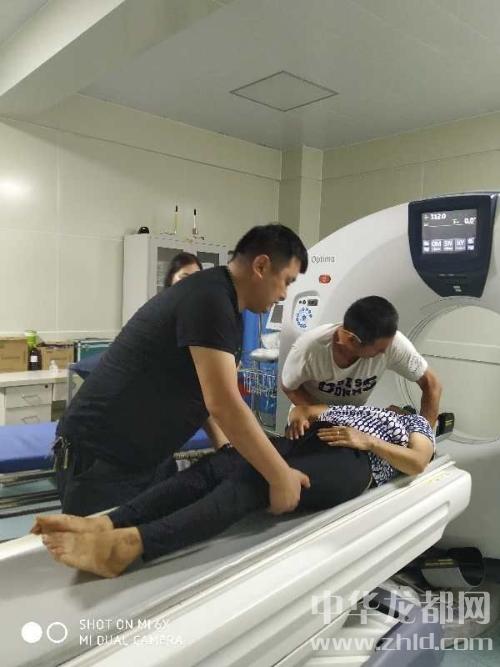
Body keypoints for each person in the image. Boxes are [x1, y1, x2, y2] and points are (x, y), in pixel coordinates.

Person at [53, 224, 310, 517]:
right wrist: (279, 476)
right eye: (286, 281)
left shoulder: (229, 308)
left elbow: (206, 395)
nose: (284, 295)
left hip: (149, 456)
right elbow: (224, 403)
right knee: (102, 541)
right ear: (261, 266)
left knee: (156, 535)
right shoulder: (209, 299)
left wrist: (227, 451)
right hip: (104, 458)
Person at [35, 404, 435, 578]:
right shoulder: (360, 408)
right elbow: (306, 409)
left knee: (253, 484)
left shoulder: (413, 425)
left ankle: (132, 545)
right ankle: (109, 522)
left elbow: (417, 461)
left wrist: (368, 441)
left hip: (354, 461)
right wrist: (301, 415)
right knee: (221, 463)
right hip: (311, 441)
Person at [282, 296, 442, 439]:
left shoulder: (393, 344)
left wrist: (424, 437)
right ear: (352, 340)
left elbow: (432, 384)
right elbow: (289, 387)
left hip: (352, 422)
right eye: (379, 350)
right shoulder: (309, 349)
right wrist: (321, 415)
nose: (384, 352)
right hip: (309, 419)